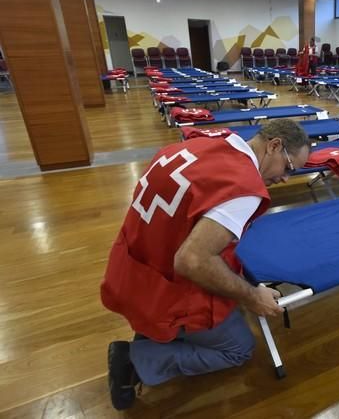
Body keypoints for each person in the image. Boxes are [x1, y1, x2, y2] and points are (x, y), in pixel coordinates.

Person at [101, 119, 311, 410]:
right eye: (289, 168)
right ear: (274, 145)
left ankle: (152, 334)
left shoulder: (198, 143)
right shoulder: (243, 187)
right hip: (169, 290)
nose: (287, 178)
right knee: (239, 349)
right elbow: (192, 260)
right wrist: (252, 297)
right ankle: (134, 360)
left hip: (132, 270)